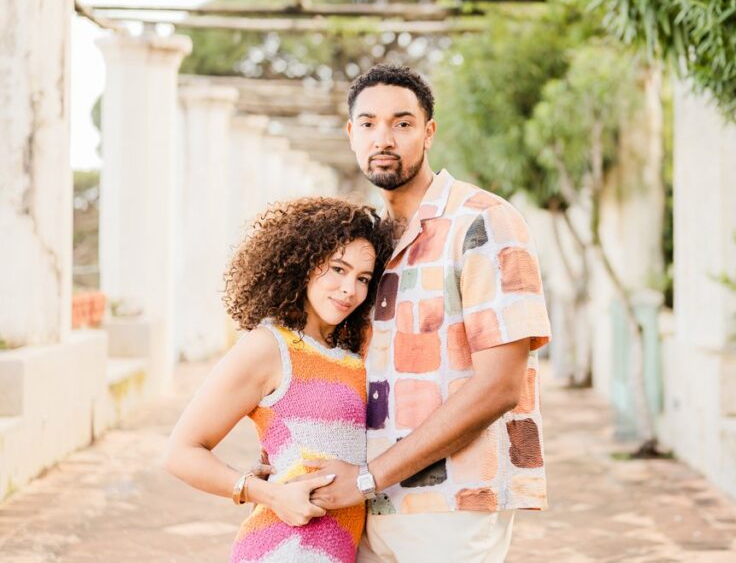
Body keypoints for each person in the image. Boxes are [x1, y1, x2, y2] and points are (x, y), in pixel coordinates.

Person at [297, 65, 553, 563]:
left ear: (429, 131)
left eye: (403, 123)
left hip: (450, 504)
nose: (384, 138)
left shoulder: (482, 222)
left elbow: (500, 386)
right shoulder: (364, 244)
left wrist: (369, 477)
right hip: (363, 501)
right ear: (351, 134)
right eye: (368, 124)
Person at [163, 197, 395, 562]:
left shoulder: (354, 355)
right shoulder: (269, 347)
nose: (350, 289)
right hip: (283, 548)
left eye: (362, 278)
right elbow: (180, 452)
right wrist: (268, 494)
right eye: (337, 268)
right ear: (304, 264)